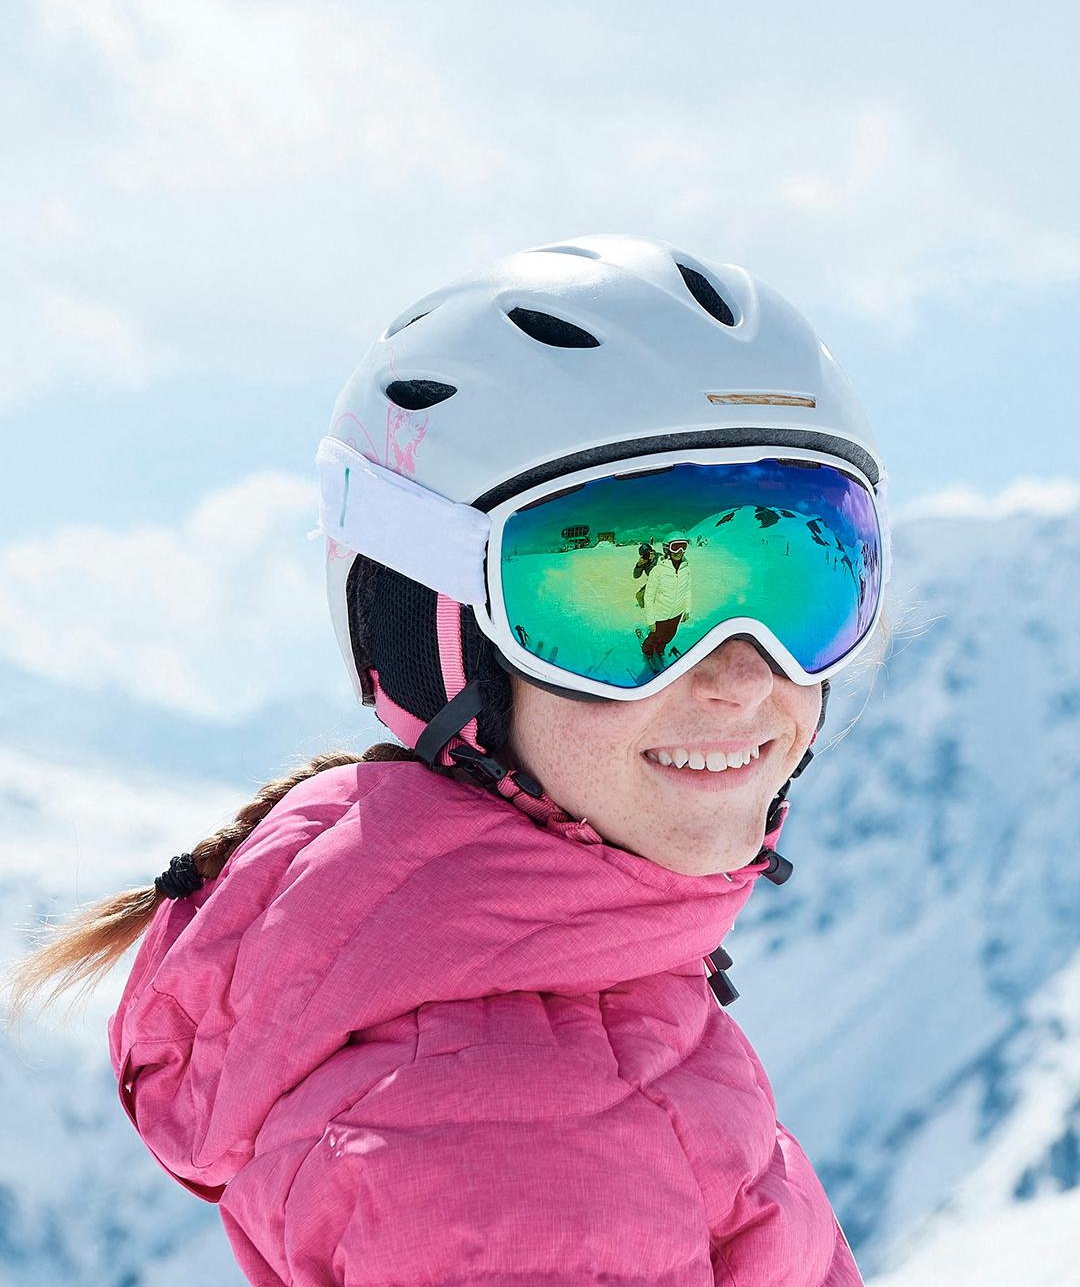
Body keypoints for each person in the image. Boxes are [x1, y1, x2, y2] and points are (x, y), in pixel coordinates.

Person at [2, 234, 892, 1286]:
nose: (741, 676)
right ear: (431, 629)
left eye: (804, 575)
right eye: (626, 600)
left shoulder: (520, 991)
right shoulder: (526, 1145)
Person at [641, 536, 693, 669]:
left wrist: (687, 609)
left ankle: (660, 649)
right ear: (667, 549)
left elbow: (687, 590)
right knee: (655, 637)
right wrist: (651, 620)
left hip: (677, 613)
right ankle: (647, 651)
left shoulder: (686, 569)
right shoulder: (658, 570)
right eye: (675, 547)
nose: (679, 551)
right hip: (660, 614)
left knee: (668, 636)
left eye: (683, 546)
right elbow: (649, 596)